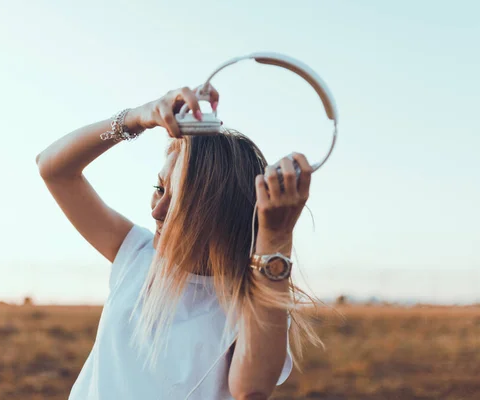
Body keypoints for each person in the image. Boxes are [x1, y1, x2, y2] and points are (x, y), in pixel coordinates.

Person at [36, 86, 322, 399]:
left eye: (180, 203)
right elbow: (53, 168)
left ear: (220, 212)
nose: (156, 211)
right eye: (159, 189)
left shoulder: (251, 303)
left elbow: (251, 390)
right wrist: (135, 119)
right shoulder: (136, 253)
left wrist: (277, 239)